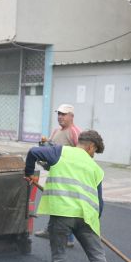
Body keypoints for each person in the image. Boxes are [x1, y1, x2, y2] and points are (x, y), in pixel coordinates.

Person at [24, 129, 122, 262]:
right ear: (91, 146)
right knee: (98, 259)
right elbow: (99, 203)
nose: (93, 156)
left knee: (59, 257)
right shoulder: (96, 169)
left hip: (62, 215)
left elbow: (33, 152)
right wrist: (93, 225)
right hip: (87, 218)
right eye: (94, 152)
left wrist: (30, 173)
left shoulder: (61, 152)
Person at [35, 104, 83, 246]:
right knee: (54, 203)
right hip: (53, 174)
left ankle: (68, 237)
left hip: (68, 177)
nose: (60, 117)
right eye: (59, 114)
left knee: (65, 206)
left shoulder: (75, 132)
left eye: (64, 114)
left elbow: (83, 155)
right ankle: (50, 230)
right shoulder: (56, 131)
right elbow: (50, 150)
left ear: (71, 116)